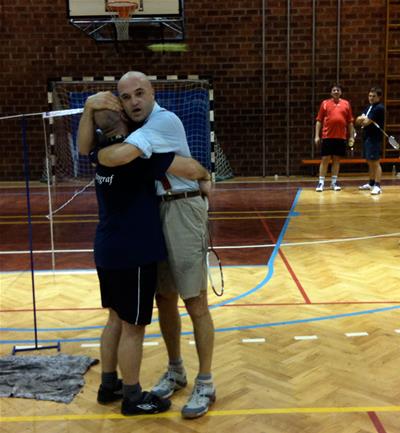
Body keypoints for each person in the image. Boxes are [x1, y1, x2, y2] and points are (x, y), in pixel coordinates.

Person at [78, 71, 215, 420]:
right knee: (165, 299)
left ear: (153, 93)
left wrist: (203, 174)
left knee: (195, 301)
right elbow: (93, 150)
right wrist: (90, 110)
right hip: (156, 214)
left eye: (140, 93)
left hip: (181, 208)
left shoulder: (162, 122)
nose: (135, 101)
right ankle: (176, 369)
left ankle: (205, 381)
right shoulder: (134, 130)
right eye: (126, 97)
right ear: (120, 104)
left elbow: (119, 156)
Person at [314, 84, 355, 192]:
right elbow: (319, 120)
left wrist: (351, 136)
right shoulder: (325, 103)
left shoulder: (346, 104)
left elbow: (350, 122)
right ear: (331, 93)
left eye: (338, 90)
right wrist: (317, 136)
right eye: (334, 90)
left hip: (340, 137)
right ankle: (321, 182)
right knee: (325, 159)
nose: (336, 91)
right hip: (327, 136)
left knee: (337, 160)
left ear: (340, 92)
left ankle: (334, 182)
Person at [355, 87, 385, 195]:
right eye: (370, 96)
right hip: (367, 137)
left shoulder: (379, 108)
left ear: (379, 97)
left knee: (375, 162)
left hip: (374, 138)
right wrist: (362, 118)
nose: (371, 98)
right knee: (369, 161)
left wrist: (363, 118)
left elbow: (365, 122)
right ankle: (371, 183)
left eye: (374, 96)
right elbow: (357, 121)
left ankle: (377, 186)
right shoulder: (369, 107)